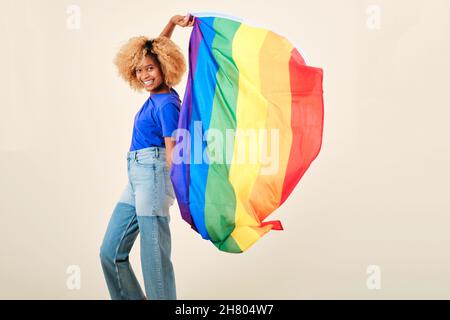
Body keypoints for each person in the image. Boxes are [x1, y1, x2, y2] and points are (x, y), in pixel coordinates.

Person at [99, 14, 195, 300]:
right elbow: (156, 47)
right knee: (110, 251)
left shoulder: (166, 103)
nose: (145, 75)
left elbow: (173, 150)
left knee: (154, 261)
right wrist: (172, 24)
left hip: (153, 176)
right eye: (140, 70)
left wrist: (180, 190)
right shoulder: (156, 96)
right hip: (137, 177)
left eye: (150, 68)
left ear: (164, 67)